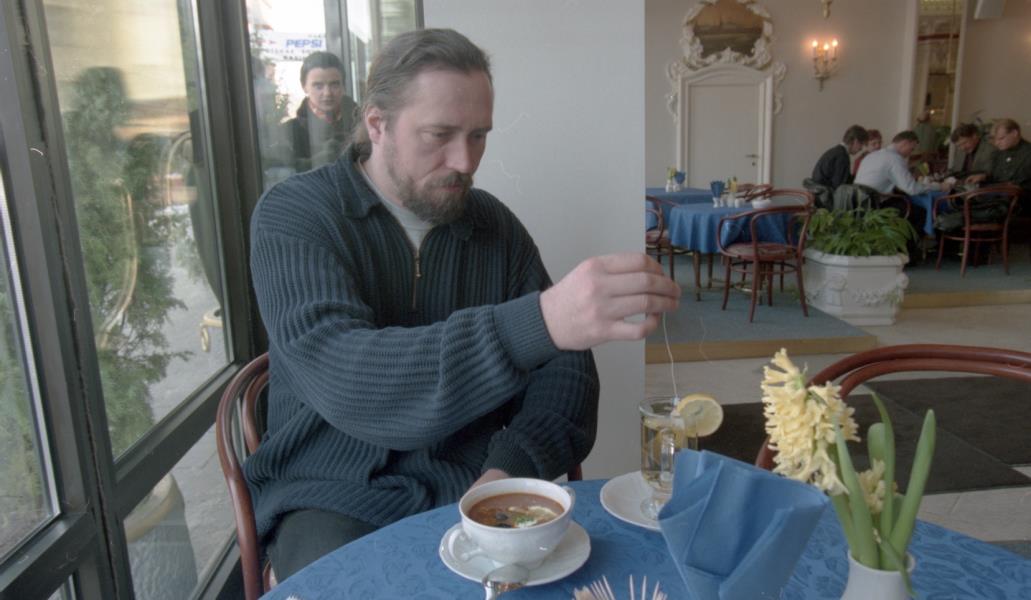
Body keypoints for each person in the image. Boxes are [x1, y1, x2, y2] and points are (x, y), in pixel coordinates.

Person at [246, 28, 681, 579]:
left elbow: (568, 376)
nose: (465, 160)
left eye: (479, 135)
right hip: (329, 495)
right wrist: (543, 320)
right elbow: (347, 377)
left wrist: (511, 467)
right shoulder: (294, 215)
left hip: (472, 486)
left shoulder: (494, 226)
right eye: (440, 134)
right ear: (377, 124)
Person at [275, 51, 358, 173]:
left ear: (343, 86)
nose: (327, 93)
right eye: (318, 86)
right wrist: (312, 162)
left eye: (334, 85)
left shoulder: (363, 126)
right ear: (304, 86)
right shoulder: (289, 132)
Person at [854, 130, 951, 197]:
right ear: (905, 143)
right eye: (911, 149)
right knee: (919, 210)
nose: (910, 152)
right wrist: (939, 186)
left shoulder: (872, 155)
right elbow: (912, 189)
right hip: (875, 205)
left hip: (860, 202)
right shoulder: (894, 158)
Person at [966, 118, 1031, 196]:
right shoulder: (999, 152)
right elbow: (996, 176)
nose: (997, 143)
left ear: (1014, 133)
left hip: (1015, 199)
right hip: (995, 194)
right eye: (995, 140)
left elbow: (1021, 186)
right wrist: (983, 177)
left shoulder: (1028, 153)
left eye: (1001, 138)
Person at [810, 125, 869, 190]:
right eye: (862, 144)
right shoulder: (842, 157)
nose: (861, 149)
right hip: (826, 194)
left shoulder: (836, 152)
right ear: (856, 141)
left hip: (819, 192)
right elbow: (839, 187)